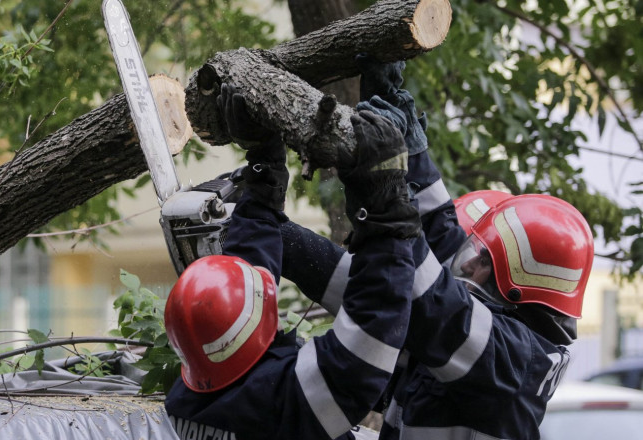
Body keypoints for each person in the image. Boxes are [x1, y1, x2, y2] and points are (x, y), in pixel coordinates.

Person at [277, 59, 595, 439]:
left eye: (483, 260)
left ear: (515, 292)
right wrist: (412, 149)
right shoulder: (502, 324)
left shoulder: (511, 359)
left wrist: (385, 198)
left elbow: (431, 302)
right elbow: (421, 260)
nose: (468, 260)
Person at [163, 83, 421, 440]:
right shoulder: (283, 403)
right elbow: (370, 335)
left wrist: (263, 171)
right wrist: (386, 211)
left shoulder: (190, 395)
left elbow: (242, 279)